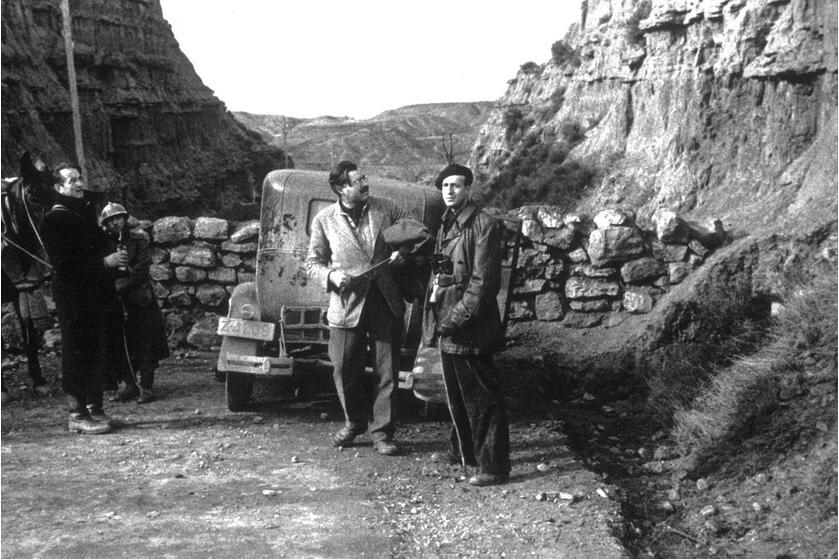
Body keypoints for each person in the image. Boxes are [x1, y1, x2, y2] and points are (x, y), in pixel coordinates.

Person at [306, 161, 408, 456]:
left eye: (365, 177)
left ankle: (382, 433)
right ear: (341, 188)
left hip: (384, 300)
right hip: (346, 303)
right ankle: (354, 422)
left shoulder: (387, 208)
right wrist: (330, 276)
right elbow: (313, 262)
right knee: (343, 369)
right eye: (358, 180)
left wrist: (404, 251)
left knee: (386, 371)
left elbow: (414, 234)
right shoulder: (324, 219)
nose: (365, 183)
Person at [422, 163, 511, 486]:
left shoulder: (484, 225)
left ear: (469, 189)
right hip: (448, 321)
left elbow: (483, 284)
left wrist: (454, 319)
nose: (449, 191)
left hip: (469, 326)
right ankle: (461, 450)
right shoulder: (447, 223)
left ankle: (494, 466)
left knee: (482, 398)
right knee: (457, 393)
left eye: (456, 185)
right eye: (445, 185)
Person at [39, 164, 129, 434]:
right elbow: (64, 264)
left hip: (95, 295)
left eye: (79, 179)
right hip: (74, 298)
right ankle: (77, 414)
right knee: (78, 349)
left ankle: (95, 409)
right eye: (71, 181)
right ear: (58, 188)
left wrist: (114, 255)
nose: (78, 184)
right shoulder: (53, 220)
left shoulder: (82, 213)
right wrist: (104, 262)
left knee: (97, 346)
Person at [99, 202, 170, 404]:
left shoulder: (139, 240)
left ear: (126, 218)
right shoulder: (104, 244)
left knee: (145, 341)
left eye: (119, 218)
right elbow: (103, 268)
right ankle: (129, 385)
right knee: (122, 343)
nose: (116, 223)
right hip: (117, 302)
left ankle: (146, 386)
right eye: (111, 220)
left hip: (140, 299)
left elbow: (141, 271)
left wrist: (117, 285)